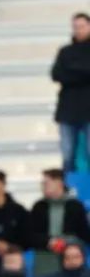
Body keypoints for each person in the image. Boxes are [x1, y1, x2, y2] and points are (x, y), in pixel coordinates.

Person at [54, 13, 90, 173]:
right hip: (68, 111)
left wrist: (72, 72)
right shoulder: (65, 51)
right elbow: (56, 74)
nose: (79, 30)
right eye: (76, 27)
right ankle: (69, 188)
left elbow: (66, 74)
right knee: (67, 155)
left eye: (82, 26)